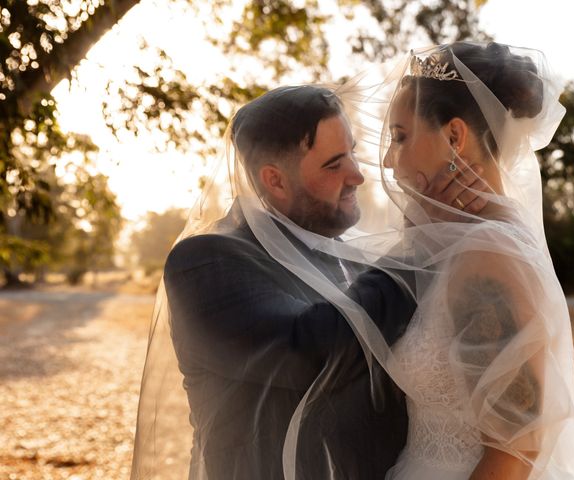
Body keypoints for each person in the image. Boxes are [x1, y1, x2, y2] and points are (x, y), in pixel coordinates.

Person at [129, 85, 486, 480]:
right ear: (275, 181)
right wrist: (421, 246)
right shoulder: (206, 261)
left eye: (352, 152)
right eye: (334, 164)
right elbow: (311, 352)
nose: (358, 175)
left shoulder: (347, 253)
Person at [374, 42, 574, 479]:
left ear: (454, 136)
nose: (387, 159)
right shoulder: (465, 242)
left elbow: (515, 449)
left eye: (400, 137)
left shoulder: (489, 254)